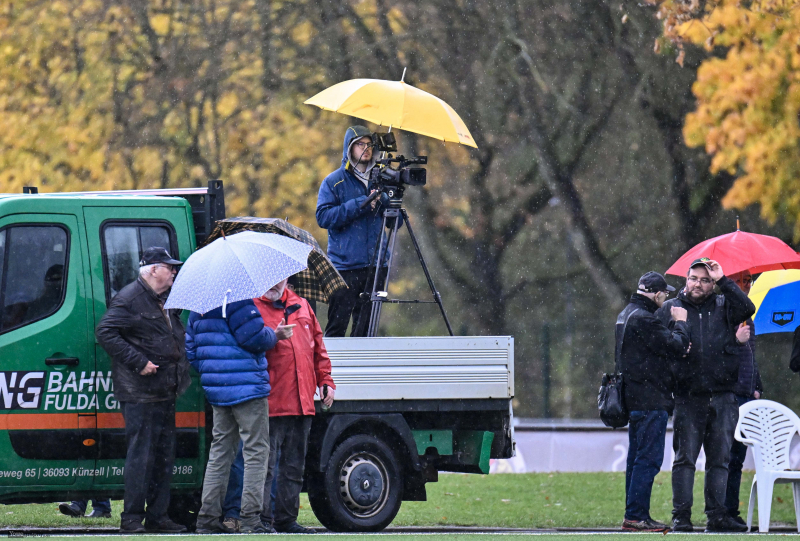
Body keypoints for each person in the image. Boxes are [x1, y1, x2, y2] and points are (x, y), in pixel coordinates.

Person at [656, 258, 755, 533]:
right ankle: (681, 516)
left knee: (720, 461)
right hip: (688, 396)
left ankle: (717, 516)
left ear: (713, 284)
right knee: (684, 460)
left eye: (705, 280)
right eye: (693, 278)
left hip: (723, 395)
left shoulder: (725, 305)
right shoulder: (671, 308)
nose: (697, 284)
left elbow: (748, 308)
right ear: (686, 280)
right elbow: (656, 346)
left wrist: (724, 279)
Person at [95, 247, 190, 534]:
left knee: (164, 457)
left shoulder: (166, 299)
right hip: (140, 392)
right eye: (169, 267)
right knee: (142, 457)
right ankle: (132, 518)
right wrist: (139, 362)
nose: (174, 271)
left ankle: (158, 516)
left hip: (166, 390)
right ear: (152, 269)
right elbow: (105, 332)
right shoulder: (129, 298)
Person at [185, 296, 291, 534]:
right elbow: (254, 338)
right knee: (256, 450)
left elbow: (191, 349)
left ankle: (207, 518)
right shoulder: (238, 301)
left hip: (218, 390)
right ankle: (251, 519)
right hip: (248, 388)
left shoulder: (198, 306)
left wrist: (214, 372)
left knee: (220, 453)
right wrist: (275, 335)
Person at [254, 277, 335, 533]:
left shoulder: (303, 305)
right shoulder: (253, 307)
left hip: (302, 403)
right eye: (269, 276)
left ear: (287, 277)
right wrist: (273, 337)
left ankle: (286, 520)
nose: (274, 282)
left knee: (293, 467)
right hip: (271, 401)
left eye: (279, 277)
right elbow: (248, 347)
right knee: (266, 467)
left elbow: (318, 349)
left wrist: (326, 380)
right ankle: (261, 520)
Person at [617, 272, 691, 532]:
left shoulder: (626, 314)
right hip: (651, 399)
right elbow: (677, 346)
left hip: (635, 398)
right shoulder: (645, 319)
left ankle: (633, 514)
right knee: (648, 459)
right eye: (665, 294)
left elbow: (650, 350)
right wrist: (681, 323)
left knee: (636, 459)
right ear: (657, 294)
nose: (666, 298)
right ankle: (636, 516)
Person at [316, 125, 388, 337]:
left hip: (376, 266)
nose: (366, 148)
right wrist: (360, 204)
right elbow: (324, 217)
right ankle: (332, 361)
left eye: (369, 144)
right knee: (336, 327)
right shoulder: (334, 181)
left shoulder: (382, 180)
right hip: (344, 266)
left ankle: (363, 361)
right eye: (360, 144)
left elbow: (398, 223)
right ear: (349, 148)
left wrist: (385, 199)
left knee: (366, 330)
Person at [725, 270, 763, 525]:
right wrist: (735, 340)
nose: (745, 285)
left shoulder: (748, 318)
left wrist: (757, 387)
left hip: (747, 396)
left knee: (737, 458)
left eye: (748, 280)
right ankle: (720, 511)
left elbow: (751, 357)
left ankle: (731, 511)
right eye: (739, 281)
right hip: (729, 396)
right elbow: (718, 352)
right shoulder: (722, 312)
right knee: (726, 457)